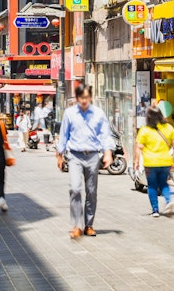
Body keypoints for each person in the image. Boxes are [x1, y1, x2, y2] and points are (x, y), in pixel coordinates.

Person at [56, 84, 114, 239]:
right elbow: (63, 135)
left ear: (90, 98)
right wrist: (59, 155)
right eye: (81, 98)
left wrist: (108, 153)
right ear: (77, 98)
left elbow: (105, 135)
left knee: (91, 191)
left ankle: (89, 224)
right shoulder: (69, 114)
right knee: (75, 189)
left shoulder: (98, 114)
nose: (84, 101)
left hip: (93, 156)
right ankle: (76, 225)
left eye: (87, 98)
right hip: (75, 156)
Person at [134, 105, 174, 217]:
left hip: (150, 163)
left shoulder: (144, 130)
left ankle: (155, 210)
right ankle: (169, 200)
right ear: (160, 115)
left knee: (152, 186)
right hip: (165, 162)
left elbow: (139, 147)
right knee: (164, 183)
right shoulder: (169, 128)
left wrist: (136, 161)